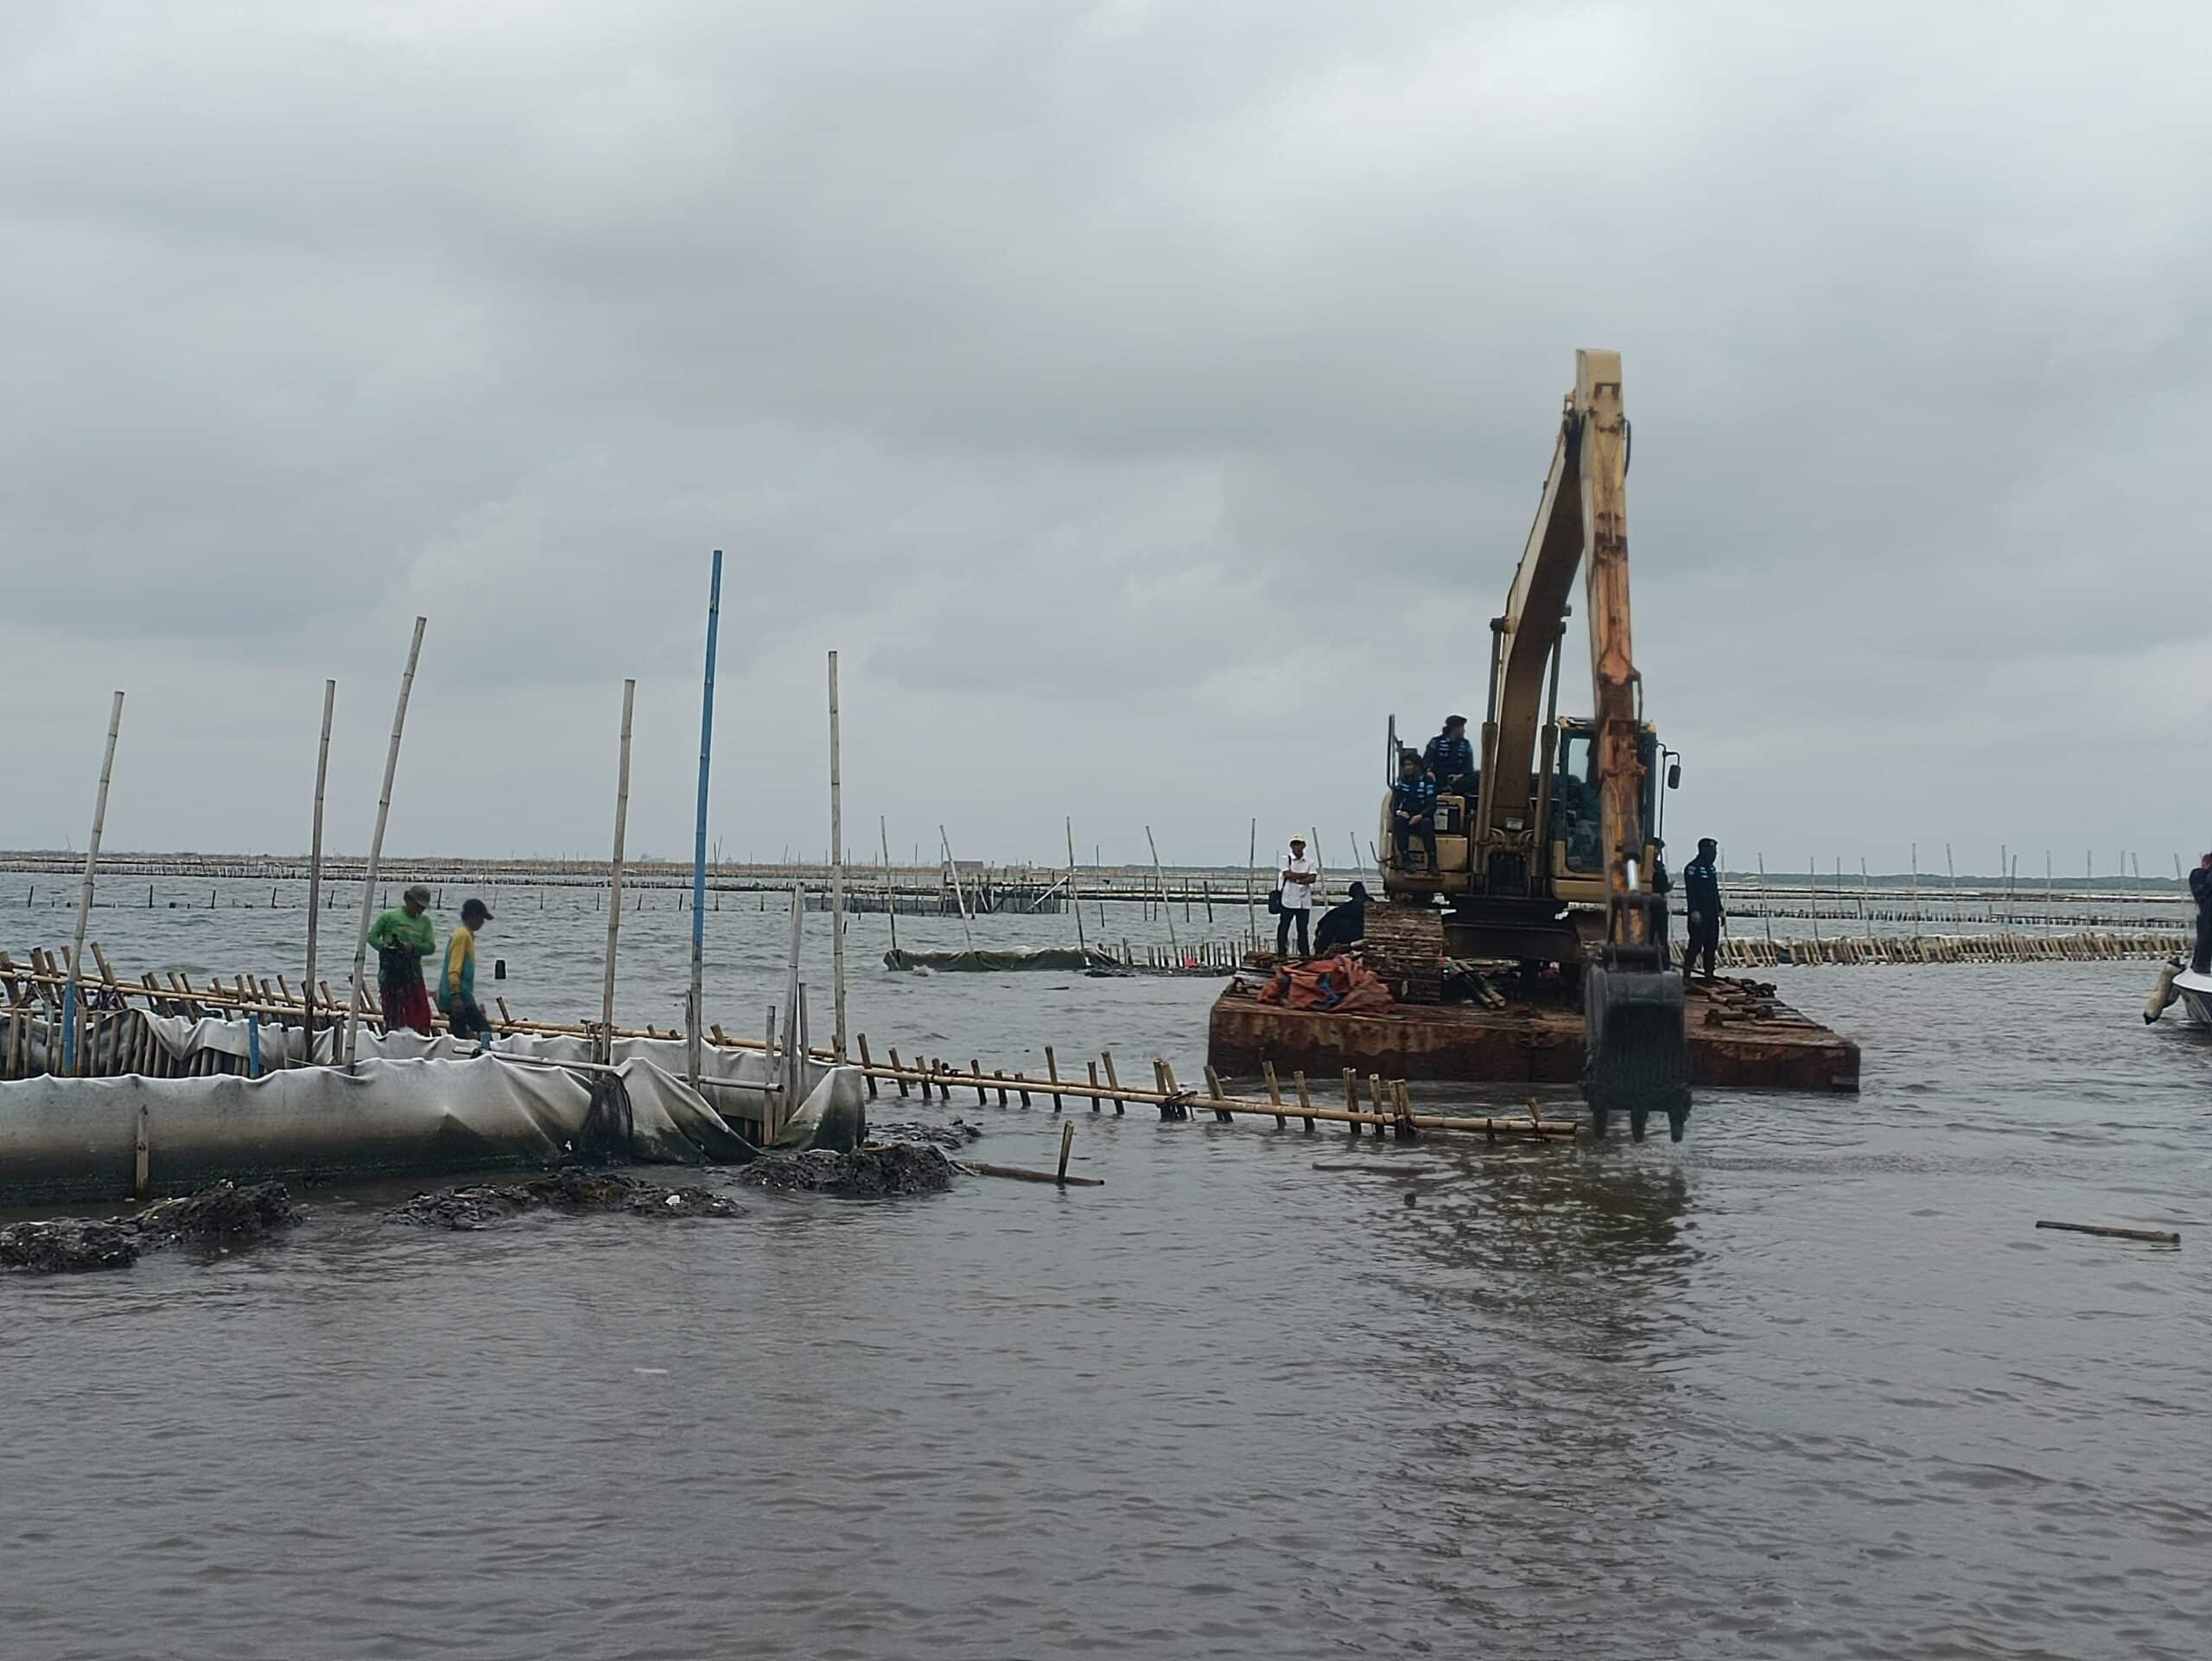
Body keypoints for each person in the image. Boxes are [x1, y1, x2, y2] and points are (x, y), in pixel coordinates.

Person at [365, 884, 436, 1034]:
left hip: (414, 974)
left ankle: (420, 1039)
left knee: (421, 1015)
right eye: (417, 906)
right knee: (394, 1014)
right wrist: (386, 948)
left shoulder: (425, 922)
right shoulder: (389, 916)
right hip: (391, 973)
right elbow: (372, 937)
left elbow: (430, 947)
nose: (419, 910)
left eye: (423, 908)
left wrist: (413, 947)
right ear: (408, 900)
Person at [438, 897, 495, 1047]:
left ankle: (459, 1055)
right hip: (460, 995)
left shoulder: (464, 935)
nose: (482, 922)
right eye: (480, 918)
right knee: (483, 1029)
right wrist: (456, 996)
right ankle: (488, 1055)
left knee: (459, 1033)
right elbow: (454, 969)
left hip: (457, 994)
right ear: (471, 916)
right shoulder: (462, 936)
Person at [1681, 837, 1724, 983]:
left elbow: (1714, 891)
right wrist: (1694, 910)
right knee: (1696, 945)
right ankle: (1686, 975)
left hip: (1712, 913)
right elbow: (1691, 892)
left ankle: (1709, 975)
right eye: (1712, 851)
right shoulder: (1692, 868)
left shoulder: (1711, 869)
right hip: (1699, 913)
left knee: (1711, 945)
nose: (1714, 854)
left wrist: (1720, 910)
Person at [1390, 749, 1440, 874]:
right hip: (1407, 818)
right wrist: (1399, 812)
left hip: (1422, 818)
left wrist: (1420, 816)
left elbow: (1432, 805)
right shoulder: (1403, 782)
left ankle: (1432, 862)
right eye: (1405, 765)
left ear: (1417, 766)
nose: (1407, 768)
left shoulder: (1427, 781)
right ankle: (1406, 860)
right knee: (1398, 822)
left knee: (1427, 824)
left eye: (1409, 765)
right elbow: (1393, 804)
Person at [1276, 836, 1319, 958]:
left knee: (1303, 929)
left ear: (1304, 846)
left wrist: (1298, 879)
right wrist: (1304, 875)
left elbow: (1313, 878)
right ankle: (1282, 952)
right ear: (1291, 846)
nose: (1297, 847)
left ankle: (1304, 953)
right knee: (1284, 927)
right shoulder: (1286, 859)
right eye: (1294, 844)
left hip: (1304, 901)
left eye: (1299, 844)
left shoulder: (1310, 861)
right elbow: (1288, 874)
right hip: (1288, 899)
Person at [1313, 879, 1370, 955]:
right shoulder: (1370, 904)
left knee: (1331, 925)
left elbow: (1333, 914)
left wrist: (1320, 926)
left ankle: (1320, 952)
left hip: (1358, 933)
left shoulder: (1354, 906)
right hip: (1365, 932)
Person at [1423, 715, 1476, 798]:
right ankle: (1443, 789)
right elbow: (1426, 759)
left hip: (1457, 779)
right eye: (1462, 727)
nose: (1464, 731)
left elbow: (1469, 766)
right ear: (1454, 728)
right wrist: (1428, 771)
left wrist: (1460, 775)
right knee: (1425, 778)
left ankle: (1450, 789)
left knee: (1476, 776)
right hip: (1438, 776)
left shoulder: (1465, 744)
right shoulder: (1436, 741)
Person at [2190, 853, 2212, 974]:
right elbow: (2202, 892)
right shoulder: (2199, 875)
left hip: (2205, 914)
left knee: (2204, 939)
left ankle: (2199, 965)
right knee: (2205, 939)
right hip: (2207, 913)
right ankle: (2200, 966)